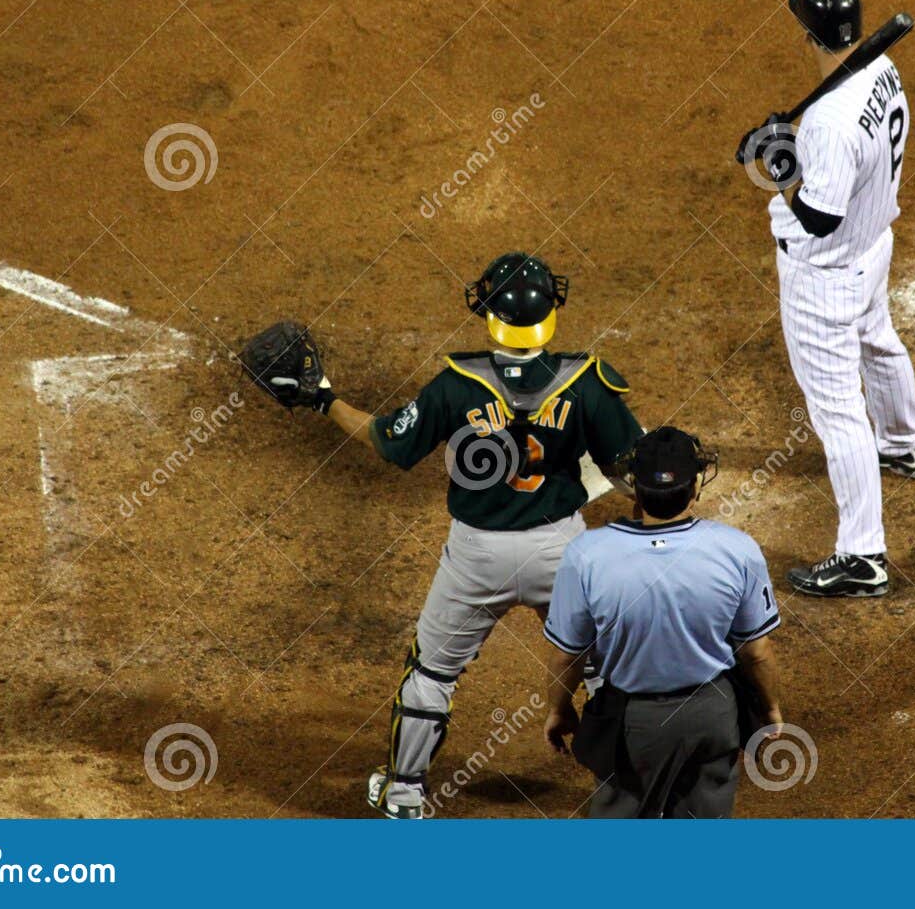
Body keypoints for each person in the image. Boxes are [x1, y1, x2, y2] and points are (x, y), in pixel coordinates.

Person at [270, 251, 643, 818]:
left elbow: (389, 441)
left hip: (476, 556)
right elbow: (633, 472)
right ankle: (630, 788)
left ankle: (404, 795)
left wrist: (322, 396)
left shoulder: (455, 386)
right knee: (600, 665)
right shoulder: (587, 383)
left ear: (491, 315)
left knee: (432, 673)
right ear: (551, 312)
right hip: (561, 552)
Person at [743, 0, 915, 599]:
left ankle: (862, 556)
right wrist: (790, 146)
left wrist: (777, 164)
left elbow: (818, 216)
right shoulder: (882, 67)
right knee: (878, 339)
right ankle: (904, 443)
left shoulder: (825, 122)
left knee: (839, 413)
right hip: (873, 246)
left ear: (808, 35)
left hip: (825, 276)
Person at [542, 426, 785, 818]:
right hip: (713, 714)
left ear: (634, 487)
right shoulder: (737, 549)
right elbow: (756, 653)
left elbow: (567, 656)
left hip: (633, 723)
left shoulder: (586, 554)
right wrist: (770, 708)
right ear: (697, 485)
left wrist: (559, 708)